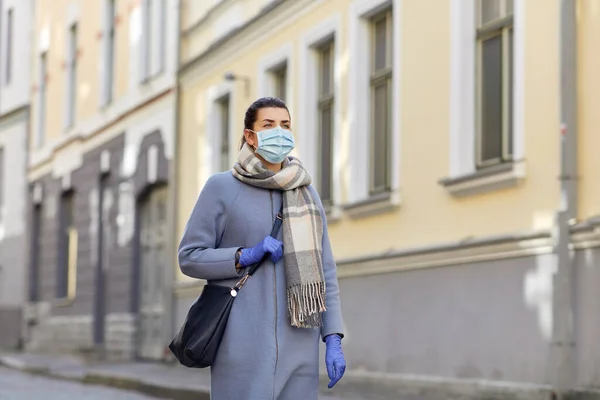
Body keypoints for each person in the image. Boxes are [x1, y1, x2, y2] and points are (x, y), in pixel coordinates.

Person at [178, 96, 346, 399]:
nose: (279, 132)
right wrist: (243, 255)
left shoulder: (306, 193)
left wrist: (333, 336)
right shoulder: (222, 187)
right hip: (241, 344)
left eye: (285, 125)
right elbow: (189, 257)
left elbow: (326, 271)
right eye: (268, 125)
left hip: (299, 344)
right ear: (250, 135)